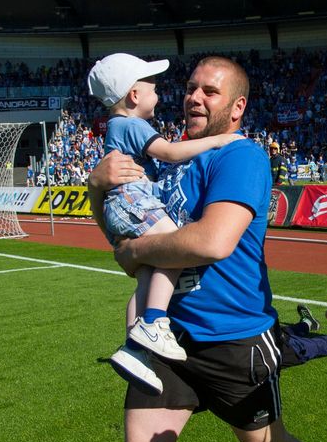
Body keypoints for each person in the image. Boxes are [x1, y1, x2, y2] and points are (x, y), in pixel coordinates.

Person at [88, 56, 307, 442]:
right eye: (191, 88)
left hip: (233, 338)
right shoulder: (169, 158)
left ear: (237, 107)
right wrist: (95, 187)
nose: (195, 98)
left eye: (210, 91)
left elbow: (211, 242)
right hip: (167, 335)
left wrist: (136, 250)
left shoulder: (240, 155)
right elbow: (119, 233)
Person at [87, 52, 243, 392]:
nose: (161, 94)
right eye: (153, 88)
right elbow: (171, 153)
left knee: (146, 274)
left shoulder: (117, 126)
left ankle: (134, 349)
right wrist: (222, 139)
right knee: (174, 248)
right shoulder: (132, 124)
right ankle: (155, 322)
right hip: (132, 200)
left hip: (122, 205)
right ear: (134, 96)